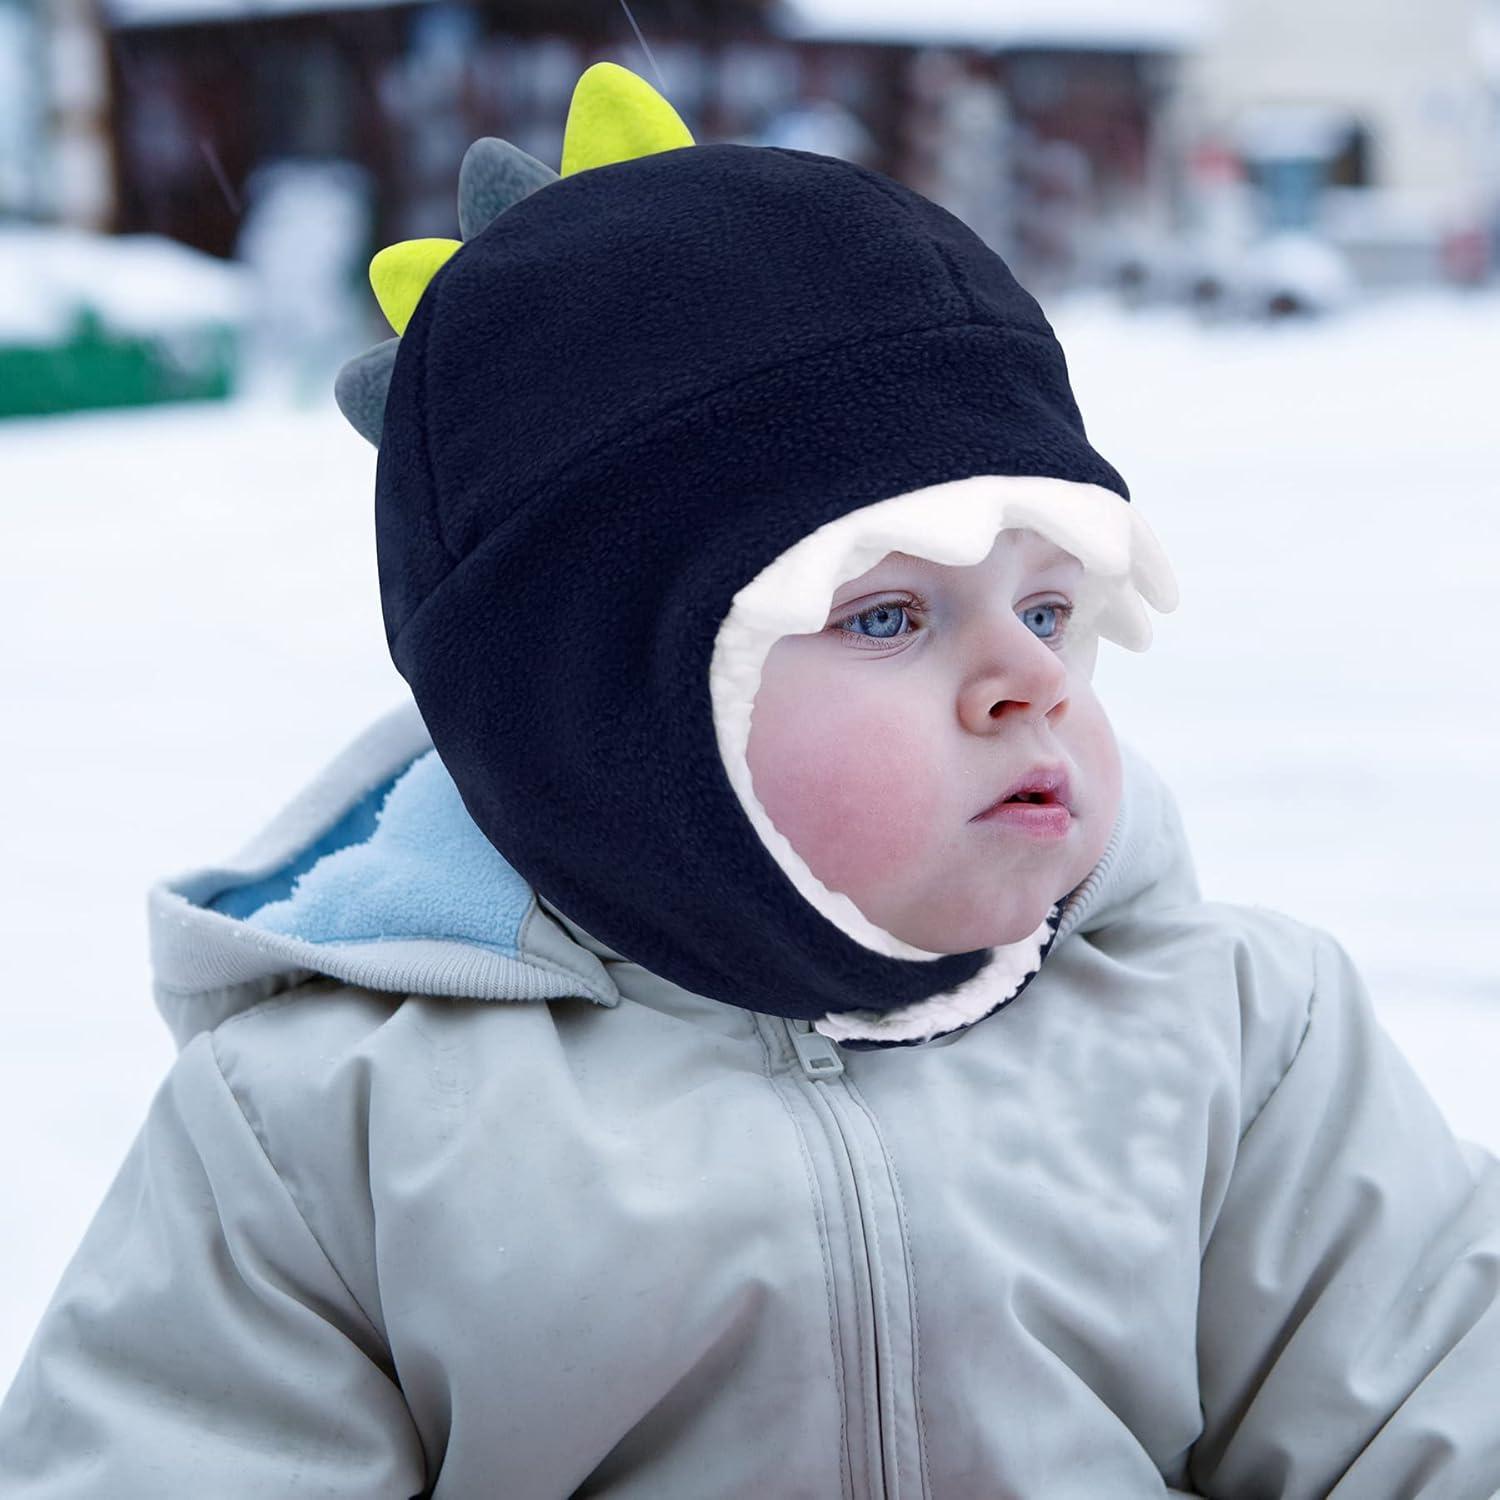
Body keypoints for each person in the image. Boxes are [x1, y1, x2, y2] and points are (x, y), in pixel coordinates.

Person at [3, 61, 1497, 1499]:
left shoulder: (1237, 1039)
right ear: (603, 714)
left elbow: (1439, 1407)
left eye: (1048, 606)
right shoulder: (329, 1129)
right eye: (888, 616)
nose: (1031, 677)